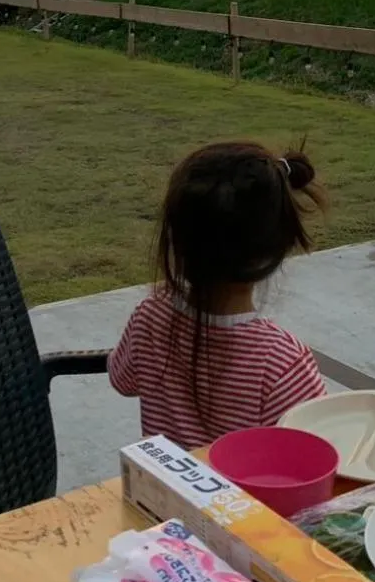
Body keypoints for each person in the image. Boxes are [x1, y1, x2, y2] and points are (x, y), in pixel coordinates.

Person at [109, 140, 327, 449]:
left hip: (162, 492)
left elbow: (122, 381)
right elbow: (312, 459)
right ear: (277, 249)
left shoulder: (150, 315)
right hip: (245, 499)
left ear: (177, 241)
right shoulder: (282, 362)